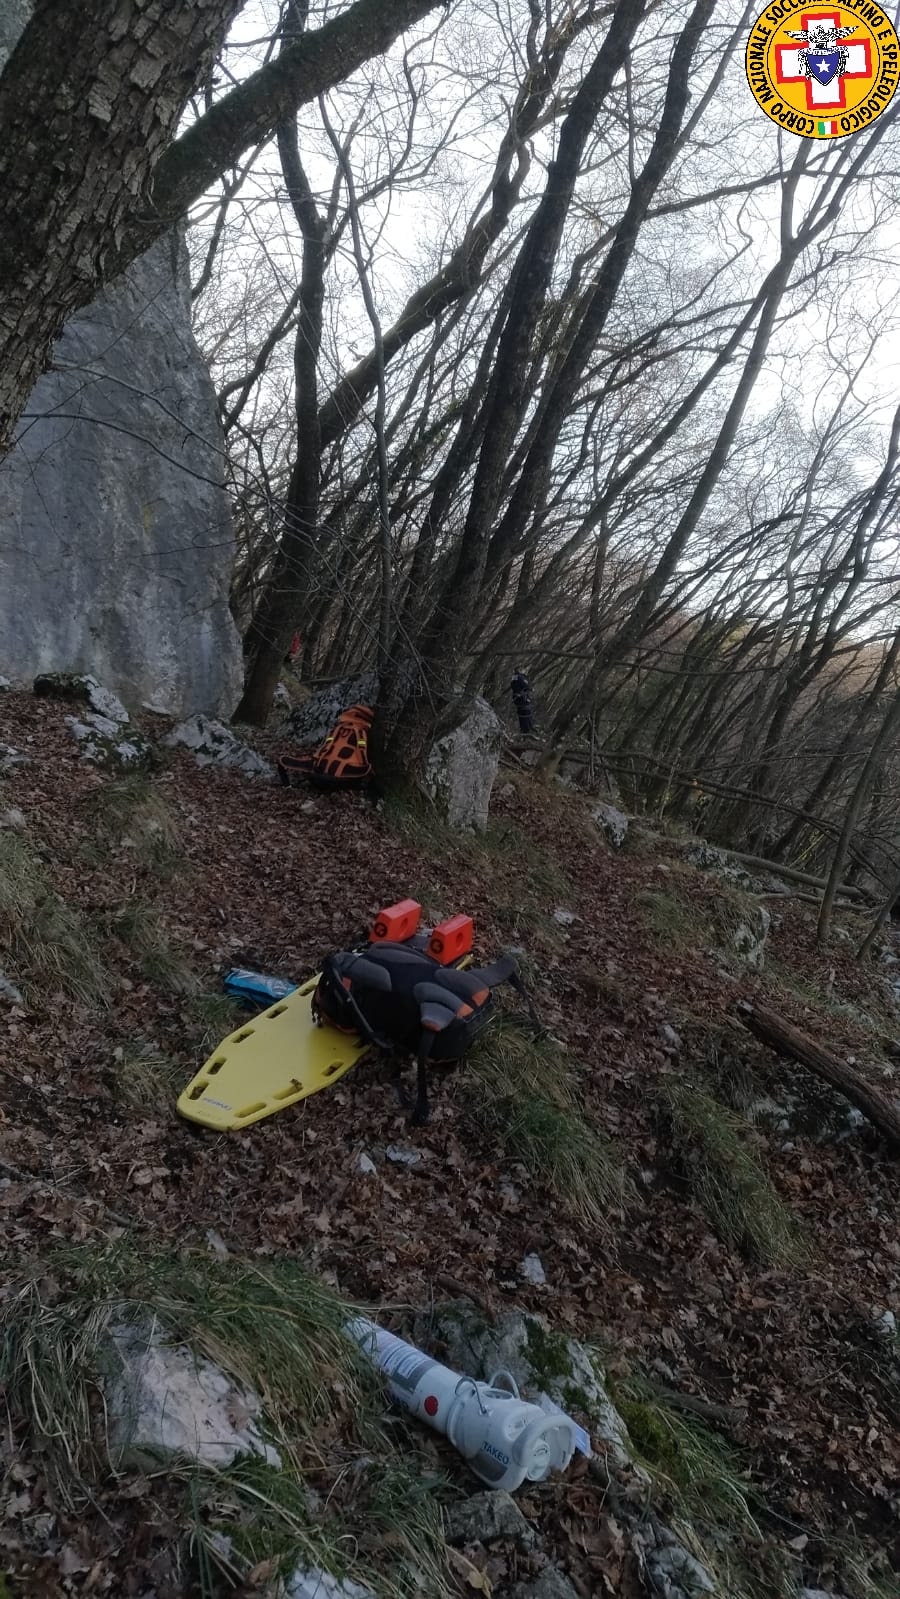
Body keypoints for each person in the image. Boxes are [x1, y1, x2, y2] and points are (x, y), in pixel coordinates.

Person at [510, 668, 535, 734]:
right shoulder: (520, 677)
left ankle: (527, 728)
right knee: (525, 711)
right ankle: (526, 729)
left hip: (518, 697)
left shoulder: (514, 677)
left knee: (522, 712)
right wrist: (530, 688)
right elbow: (525, 685)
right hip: (522, 698)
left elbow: (513, 685)